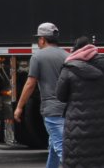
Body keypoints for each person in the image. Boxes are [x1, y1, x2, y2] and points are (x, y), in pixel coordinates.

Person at [55, 36, 104, 167]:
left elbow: (60, 96)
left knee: (80, 160)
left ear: (75, 50)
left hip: (78, 124)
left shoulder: (69, 68)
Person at [14, 22, 67, 168]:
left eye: (38, 39)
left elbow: (30, 84)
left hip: (52, 109)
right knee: (54, 147)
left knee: (61, 148)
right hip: (68, 108)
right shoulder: (68, 56)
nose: (38, 42)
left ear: (43, 39)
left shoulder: (38, 57)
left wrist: (19, 107)